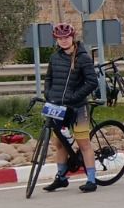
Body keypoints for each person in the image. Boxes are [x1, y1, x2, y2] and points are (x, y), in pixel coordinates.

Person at [42, 22, 101, 193]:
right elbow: (49, 78)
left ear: (72, 37)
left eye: (66, 37)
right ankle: (61, 177)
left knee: (83, 143)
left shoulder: (82, 57)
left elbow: (92, 82)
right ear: (56, 40)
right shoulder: (55, 57)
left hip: (77, 107)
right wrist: (48, 94)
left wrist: (74, 97)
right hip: (58, 107)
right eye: (60, 38)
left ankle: (91, 180)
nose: (63, 40)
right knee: (60, 143)